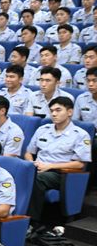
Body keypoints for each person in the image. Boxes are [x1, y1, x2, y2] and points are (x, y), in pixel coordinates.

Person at [27, 97, 92, 228]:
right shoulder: (43, 129)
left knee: (38, 179)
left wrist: (49, 166)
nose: (54, 114)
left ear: (70, 112)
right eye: (51, 111)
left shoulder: (80, 134)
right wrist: (31, 163)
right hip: (38, 167)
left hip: (60, 174)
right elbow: (28, 152)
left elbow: (80, 164)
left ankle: (32, 222)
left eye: (58, 110)